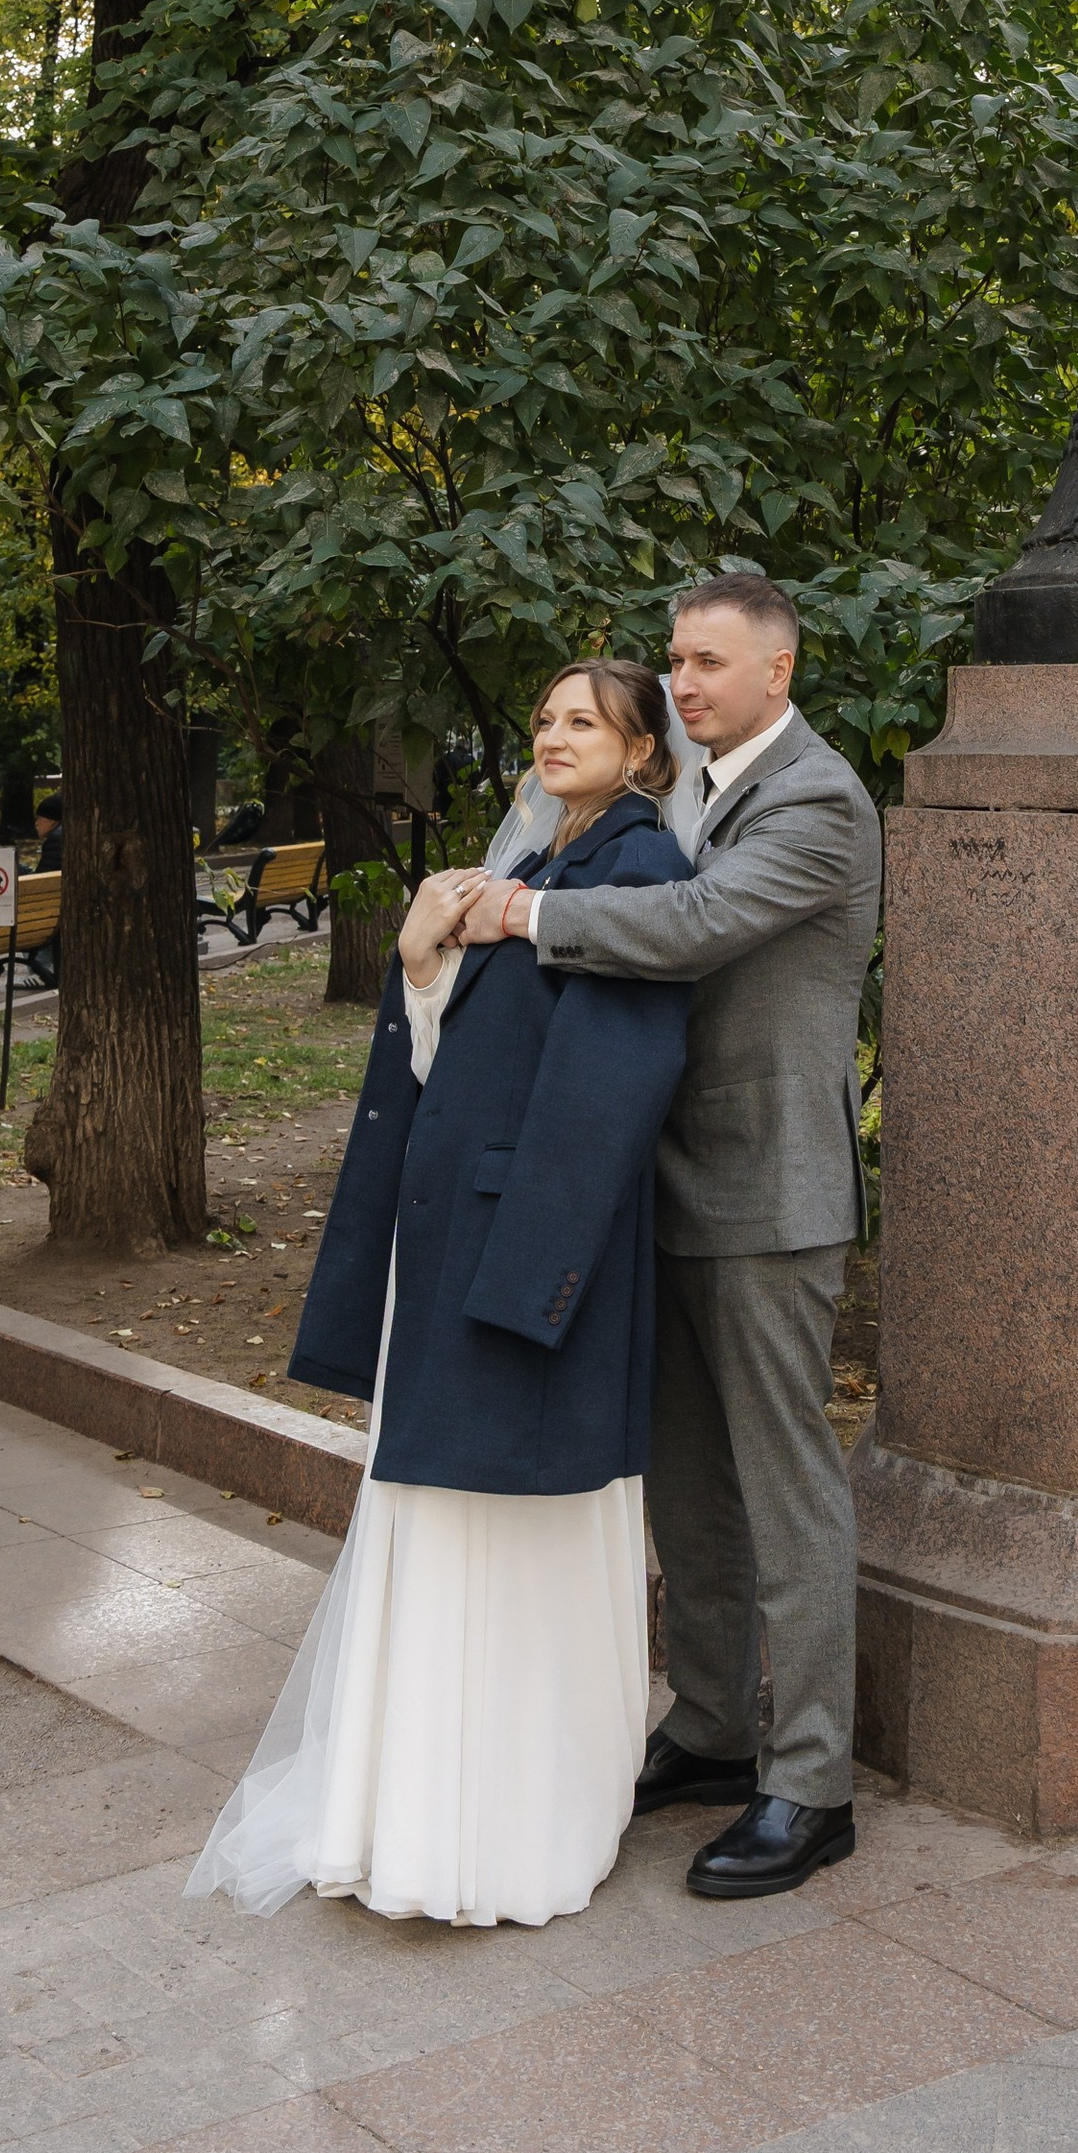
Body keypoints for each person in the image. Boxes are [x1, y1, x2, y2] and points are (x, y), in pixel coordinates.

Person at [187, 659, 693, 1930]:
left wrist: (535, 1289)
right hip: (449, 1257)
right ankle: (412, 1811)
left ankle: (506, 1830)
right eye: (543, 719)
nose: (553, 733)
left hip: (531, 1268)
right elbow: (443, 1061)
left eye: (585, 719)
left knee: (519, 1533)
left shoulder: (635, 872)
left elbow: (607, 1089)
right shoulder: (517, 876)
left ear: (643, 754)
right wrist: (415, 966)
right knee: (434, 1525)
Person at [457, 572, 882, 1904]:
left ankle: (811, 1786)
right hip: (667, 1183)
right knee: (689, 1483)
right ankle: (708, 1727)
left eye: (709, 663)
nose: (684, 683)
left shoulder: (816, 799)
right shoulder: (688, 789)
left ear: (779, 669)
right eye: (676, 662)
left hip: (770, 1194)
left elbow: (698, 929)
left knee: (783, 1485)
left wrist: (529, 914)